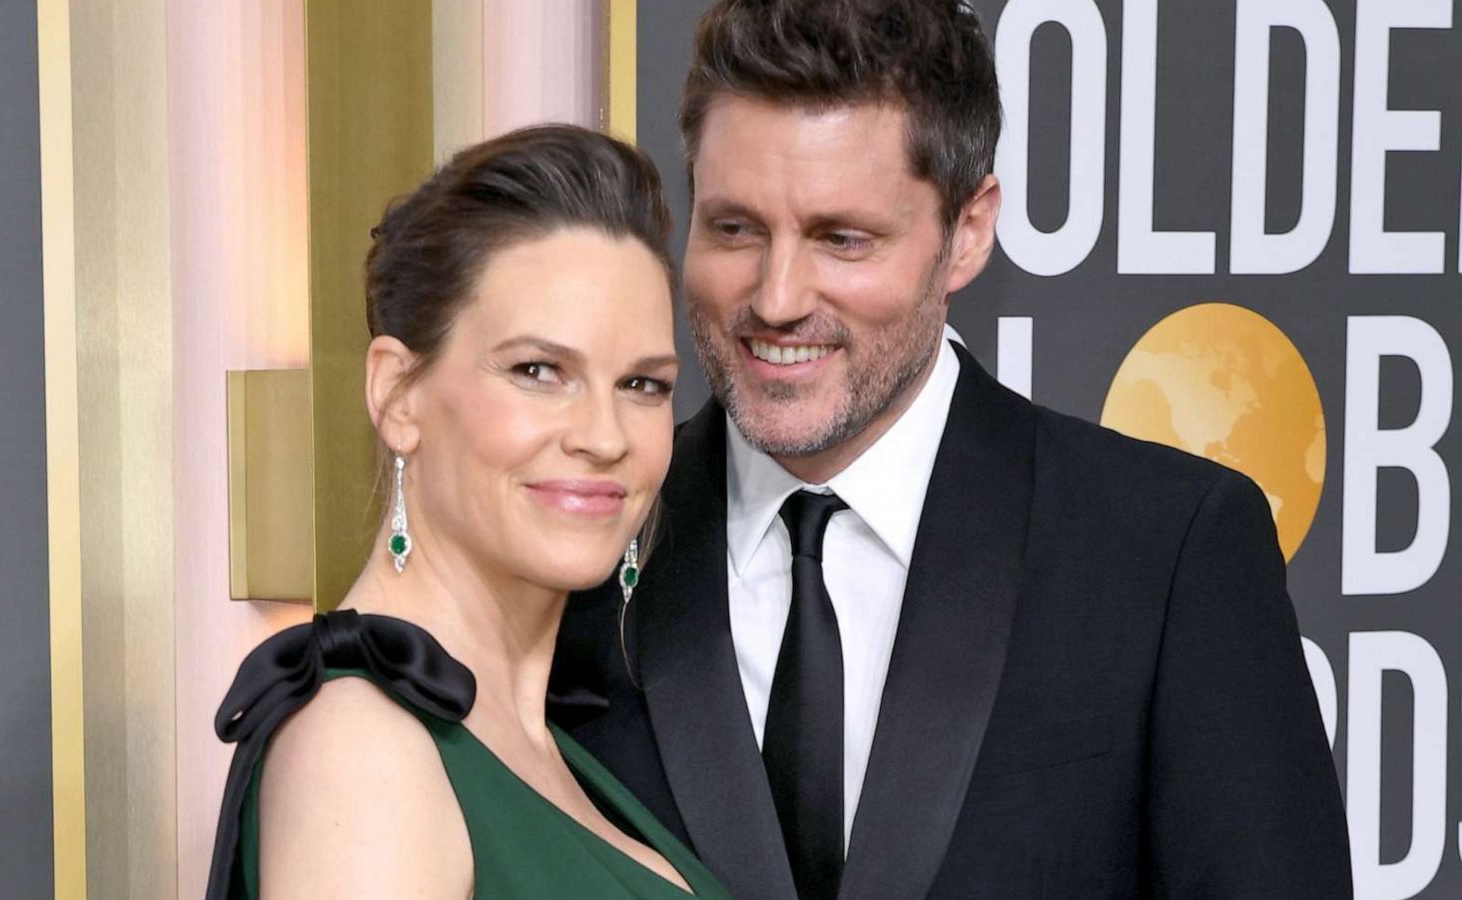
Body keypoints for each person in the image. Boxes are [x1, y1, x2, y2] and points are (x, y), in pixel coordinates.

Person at [551, 2, 1354, 898]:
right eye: (735, 228)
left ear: (967, 232)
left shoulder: (1166, 551)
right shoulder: (581, 543)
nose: (775, 298)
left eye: (842, 239)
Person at [206, 125, 734, 899]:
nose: (603, 436)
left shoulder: (535, 742)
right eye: (538, 370)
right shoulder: (362, 752)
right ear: (397, 395)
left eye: (643, 385)